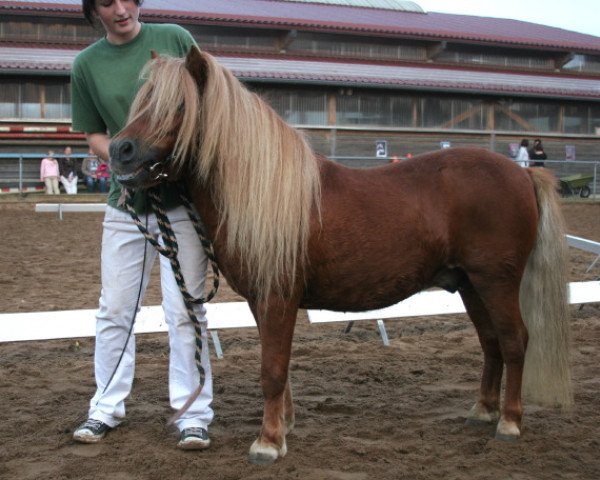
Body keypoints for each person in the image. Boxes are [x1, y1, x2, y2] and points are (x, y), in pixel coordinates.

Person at [71, 0, 213, 450]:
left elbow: (206, 104)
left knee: (186, 311)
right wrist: (119, 157)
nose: (119, 9)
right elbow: (93, 131)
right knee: (114, 310)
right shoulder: (86, 65)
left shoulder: (174, 40)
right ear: (93, 10)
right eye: (106, 3)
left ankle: (193, 413)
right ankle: (105, 407)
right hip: (125, 203)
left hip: (181, 204)